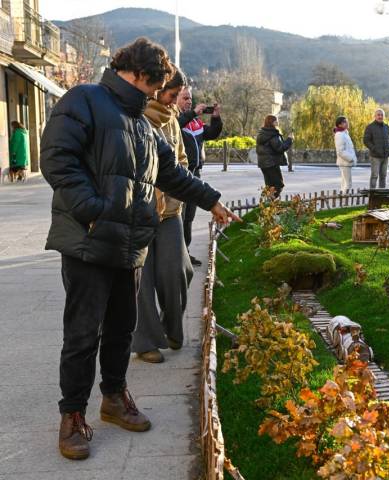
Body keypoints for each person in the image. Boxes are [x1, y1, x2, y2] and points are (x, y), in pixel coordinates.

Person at [40, 37, 239, 461]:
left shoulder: (143, 125)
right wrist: (93, 211)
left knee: (121, 329)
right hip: (89, 241)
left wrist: (213, 201)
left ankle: (113, 398)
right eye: (154, 86)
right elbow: (57, 158)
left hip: (129, 245)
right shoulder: (85, 100)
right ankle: (72, 416)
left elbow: (173, 175)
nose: (157, 95)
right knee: (82, 334)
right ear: (138, 75)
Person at [132, 66, 193, 364]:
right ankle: (145, 342)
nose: (173, 101)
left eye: (176, 96)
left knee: (179, 272)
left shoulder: (171, 121)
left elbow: (181, 159)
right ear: (157, 89)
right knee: (141, 282)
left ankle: (171, 327)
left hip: (170, 211)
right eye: (171, 94)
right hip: (140, 213)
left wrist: (178, 184)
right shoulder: (135, 116)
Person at [177, 86, 223, 265]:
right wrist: (192, 114)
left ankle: (185, 252)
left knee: (189, 217)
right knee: (179, 217)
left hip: (195, 173)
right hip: (180, 174)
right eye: (185, 98)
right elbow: (176, 123)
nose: (189, 101)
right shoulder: (174, 118)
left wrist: (216, 117)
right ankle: (177, 255)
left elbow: (211, 133)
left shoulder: (195, 123)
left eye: (190, 98)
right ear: (175, 99)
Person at [256, 114, 293, 197]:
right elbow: (279, 148)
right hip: (271, 163)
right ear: (271, 122)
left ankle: (265, 204)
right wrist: (289, 139)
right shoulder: (272, 134)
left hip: (264, 164)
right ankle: (269, 203)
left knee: (269, 186)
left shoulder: (263, 132)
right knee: (278, 185)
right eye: (275, 120)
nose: (277, 122)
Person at [363, 109, 389, 189]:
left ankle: (382, 195)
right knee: (374, 176)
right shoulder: (370, 127)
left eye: (382, 115)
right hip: (375, 156)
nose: (380, 116)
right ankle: (372, 195)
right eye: (378, 115)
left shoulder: (387, 127)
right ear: (375, 116)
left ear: (384, 116)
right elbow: (366, 140)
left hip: (386, 156)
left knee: (383, 176)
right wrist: (374, 148)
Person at [334, 116, 357, 191]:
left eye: (347, 121)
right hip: (345, 162)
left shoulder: (345, 133)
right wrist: (350, 158)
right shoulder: (340, 135)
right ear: (339, 125)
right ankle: (345, 199)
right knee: (348, 183)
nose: (347, 123)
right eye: (344, 122)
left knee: (344, 182)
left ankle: (343, 199)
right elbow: (340, 151)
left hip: (346, 162)